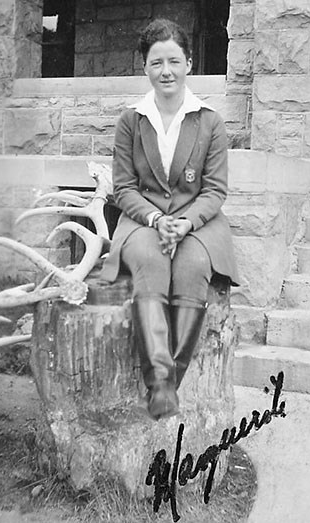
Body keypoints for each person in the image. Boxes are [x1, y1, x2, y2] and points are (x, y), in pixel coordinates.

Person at [101, 18, 240, 421]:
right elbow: (123, 188)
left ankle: (172, 378)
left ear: (189, 64)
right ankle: (158, 382)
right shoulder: (131, 120)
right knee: (149, 260)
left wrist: (186, 223)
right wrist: (154, 218)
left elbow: (214, 190)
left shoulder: (209, 121)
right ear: (144, 66)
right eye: (157, 62)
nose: (166, 71)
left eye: (174, 61)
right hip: (144, 220)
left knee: (195, 264)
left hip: (197, 221)